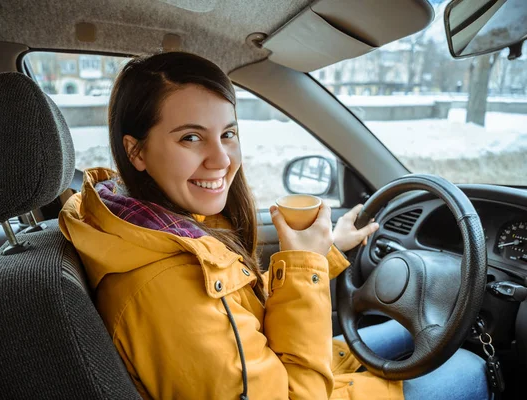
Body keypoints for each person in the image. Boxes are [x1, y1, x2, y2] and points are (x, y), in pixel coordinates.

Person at [59, 52, 490, 399]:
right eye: (191, 137)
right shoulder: (164, 284)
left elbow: (234, 310)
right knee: (468, 367)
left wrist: (324, 251)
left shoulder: (152, 228)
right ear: (136, 152)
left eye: (227, 133)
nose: (222, 159)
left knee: (406, 331)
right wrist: (302, 263)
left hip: (283, 369)